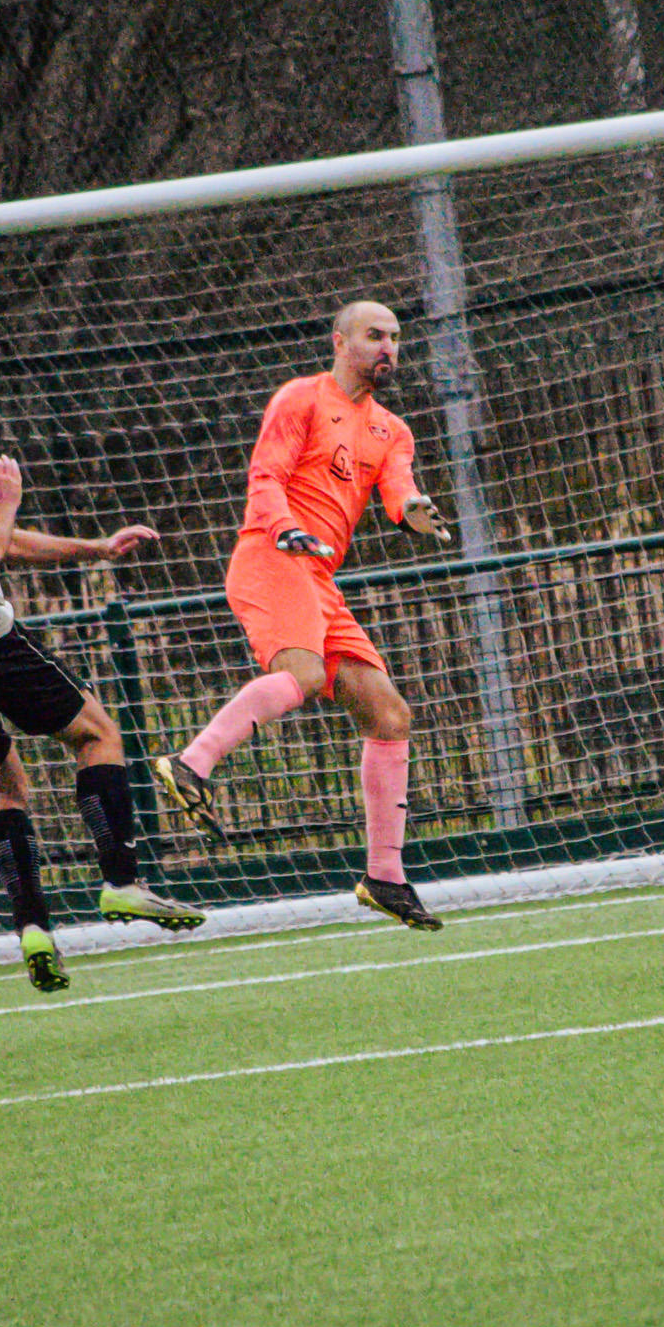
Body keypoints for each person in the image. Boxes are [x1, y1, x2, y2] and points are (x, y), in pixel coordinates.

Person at [0, 367, 205, 993]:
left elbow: (0, 543)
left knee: (7, 788)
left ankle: (33, 928)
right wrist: (7, 501)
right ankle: (120, 882)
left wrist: (96, 549)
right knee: (97, 734)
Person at [152, 300, 454, 932]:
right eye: (375, 335)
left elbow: (398, 483)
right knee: (306, 673)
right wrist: (287, 528)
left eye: (396, 337)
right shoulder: (302, 399)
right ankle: (191, 764)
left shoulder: (392, 429)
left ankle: (386, 878)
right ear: (340, 341)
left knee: (389, 713)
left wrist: (412, 507)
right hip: (270, 555)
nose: (389, 347)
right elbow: (265, 478)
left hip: (319, 576)